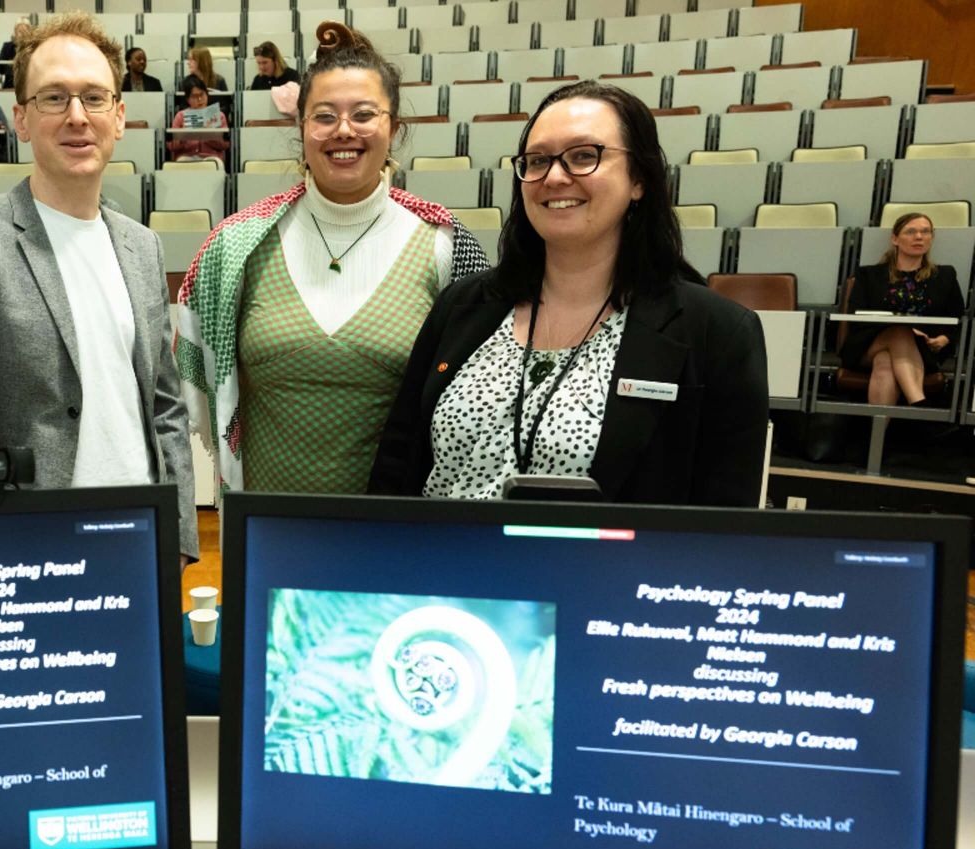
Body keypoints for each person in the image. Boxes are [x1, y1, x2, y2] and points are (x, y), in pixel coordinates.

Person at [369, 80, 768, 506]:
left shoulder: (717, 333)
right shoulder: (462, 306)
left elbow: (725, 521)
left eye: (583, 156)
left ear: (639, 179)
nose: (555, 177)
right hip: (438, 567)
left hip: (605, 573)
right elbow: (398, 463)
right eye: (537, 160)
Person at [0, 11, 199, 561]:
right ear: (20, 119)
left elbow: (165, 406)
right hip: (25, 542)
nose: (77, 116)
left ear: (118, 117)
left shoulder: (142, 245)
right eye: (54, 98)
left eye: (94, 98)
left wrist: (180, 537)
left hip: (138, 537)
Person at [175, 23, 490, 495]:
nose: (344, 130)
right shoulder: (236, 245)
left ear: (394, 128)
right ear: (301, 128)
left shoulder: (446, 246)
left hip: (396, 536)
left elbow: (475, 410)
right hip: (264, 535)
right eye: (324, 116)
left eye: (364, 114)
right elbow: (193, 394)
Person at [838, 212, 966, 406]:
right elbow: (857, 316)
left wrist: (944, 338)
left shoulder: (945, 275)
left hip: (923, 349)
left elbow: (958, 316)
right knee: (900, 332)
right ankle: (919, 403)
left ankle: (878, 435)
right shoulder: (869, 275)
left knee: (884, 366)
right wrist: (907, 331)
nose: (919, 237)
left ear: (932, 237)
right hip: (869, 345)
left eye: (925, 231)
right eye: (911, 232)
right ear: (895, 239)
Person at [167, 82, 228, 164]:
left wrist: (210, 133)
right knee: (181, 162)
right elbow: (171, 146)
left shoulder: (218, 115)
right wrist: (184, 134)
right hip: (186, 156)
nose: (199, 99)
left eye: (202, 95)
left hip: (211, 156)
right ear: (188, 99)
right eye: (195, 96)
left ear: (207, 95)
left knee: (214, 163)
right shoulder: (180, 116)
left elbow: (225, 145)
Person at [0, 19, 30, 89]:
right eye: (20, 31)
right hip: (10, 85)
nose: (23, 34)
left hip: (28, 85)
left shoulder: (33, 47)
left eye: (25, 31)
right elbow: (0, 68)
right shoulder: (7, 46)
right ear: (15, 32)